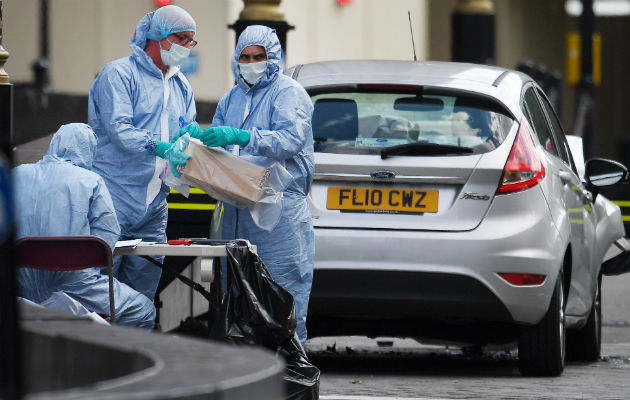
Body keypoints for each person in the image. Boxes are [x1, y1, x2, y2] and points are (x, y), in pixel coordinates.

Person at [182, 25, 315, 345]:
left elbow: (289, 141)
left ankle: (289, 377)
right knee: (236, 296)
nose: (252, 63)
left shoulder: (289, 93)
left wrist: (243, 136)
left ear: (274, 58)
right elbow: (220, 152)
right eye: (245, 56)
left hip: (278, 213)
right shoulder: (232, 97)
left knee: (280, 295)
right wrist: (197, 149)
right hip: (235, 210)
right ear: (236, 59)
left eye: (259, 56)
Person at [88, 5, 197, 302]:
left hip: (154, 205)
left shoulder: (180, 84)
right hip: (112, 198)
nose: (187, 47)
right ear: (157, 35)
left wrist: (195, 140)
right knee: (100, 294)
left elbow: (186, 130)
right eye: (181, 38)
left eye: (191, 40)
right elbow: (119, 129)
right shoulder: (119, 74)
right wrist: (159, 147)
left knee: (141, 299)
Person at [13, 123, 156, 329]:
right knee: (143, 311)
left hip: (20, 288)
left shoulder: (16, 174)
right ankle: (107, 359)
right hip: (76, 287)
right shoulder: (91, 181)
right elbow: (107, 238)